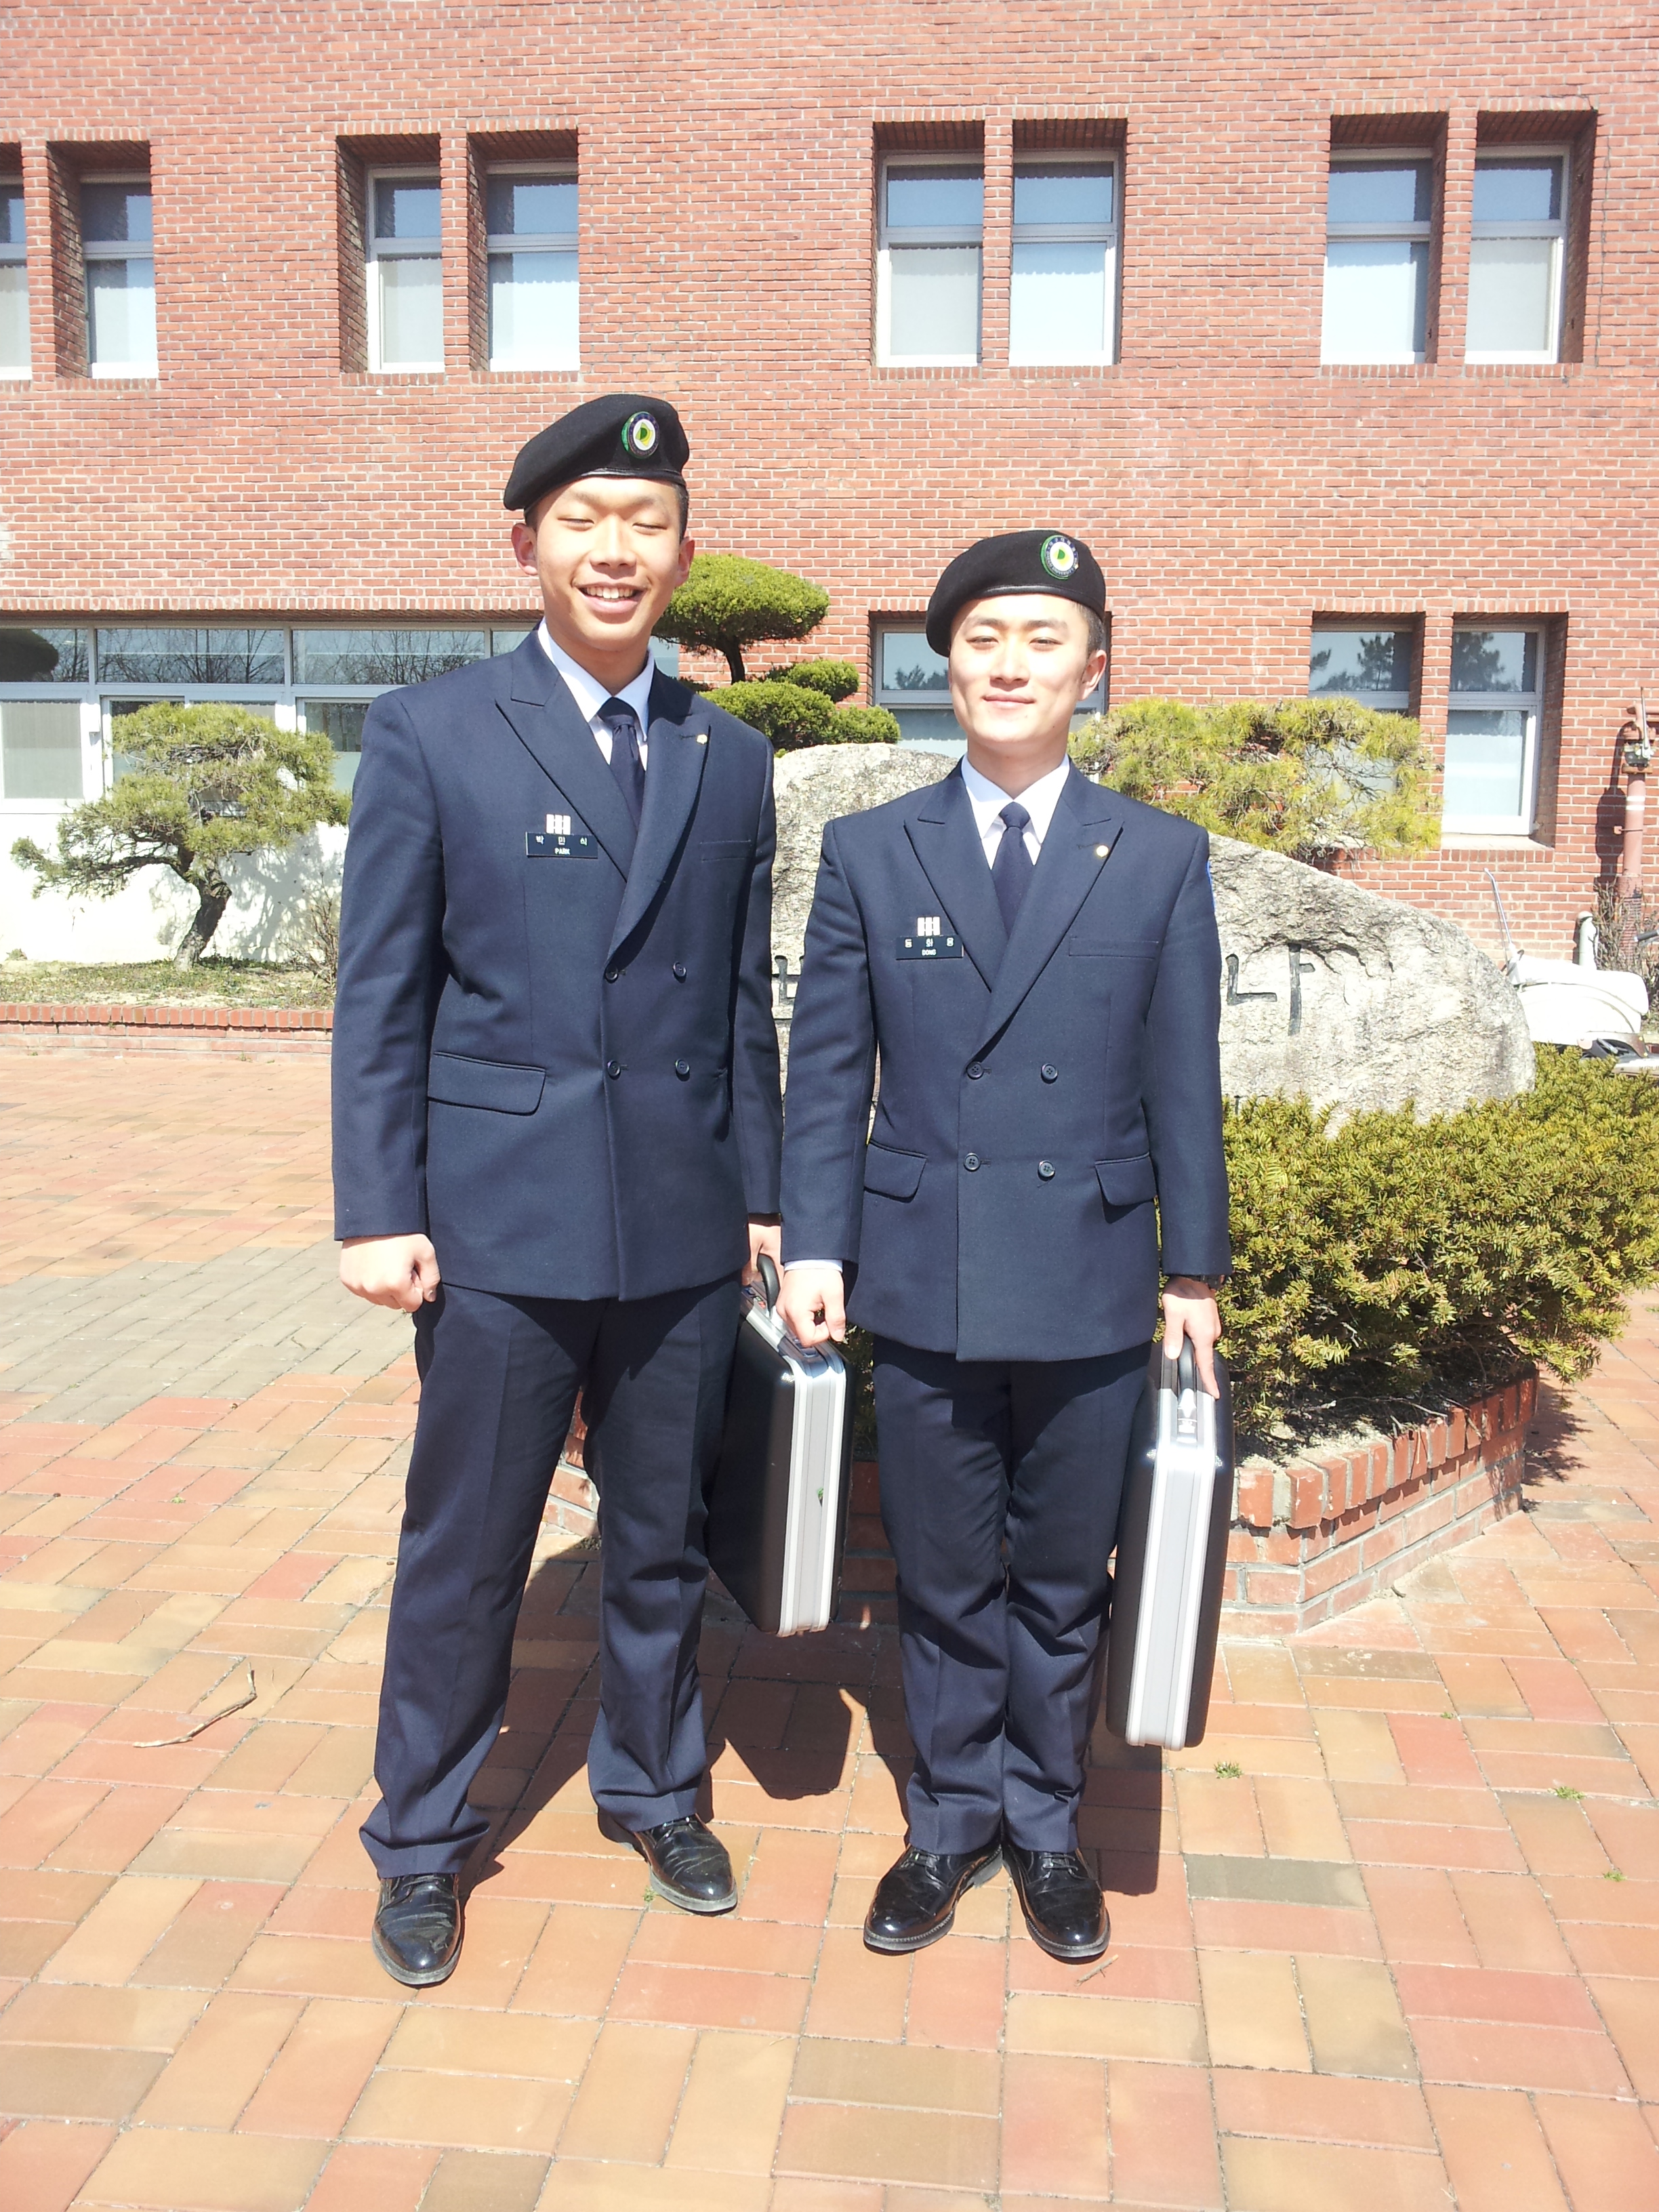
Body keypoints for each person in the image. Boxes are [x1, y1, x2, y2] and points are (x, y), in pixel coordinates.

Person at [333, 393, 783, 1986]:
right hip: (497, 1225)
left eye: (647, 524)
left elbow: (742, 1002)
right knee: (467, 1550)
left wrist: (765, 1197)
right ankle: (421, 1838)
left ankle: (655, 1787)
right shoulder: (433, 732)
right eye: (585, 520)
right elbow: (381, 995)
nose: (616, 549)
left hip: (679, 1218)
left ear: (683, 555)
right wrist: (376, 1208)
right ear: (527, 541)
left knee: (661, 1535)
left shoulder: (730, 757)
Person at [777, 529, 1228, 1962]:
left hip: (1089, 1273)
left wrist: (1195, 1270)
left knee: (1064, 1576)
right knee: (944, 1572)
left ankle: (1047, 1823)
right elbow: (826, 1069)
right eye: (983, 640)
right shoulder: (873, 850)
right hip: (927, 1275)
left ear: (1094, 670)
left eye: (1043, 639)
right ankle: (950, 1818)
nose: (1011, 665)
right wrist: (816, 1245)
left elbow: (1184, 1077)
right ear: (946, 669)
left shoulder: (1156, 856)